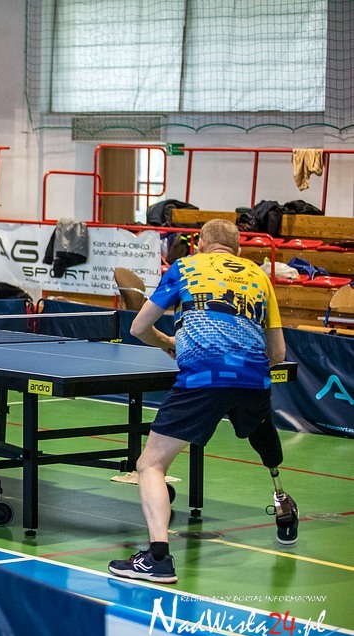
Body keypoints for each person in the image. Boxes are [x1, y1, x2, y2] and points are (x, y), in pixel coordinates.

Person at [108, 218, 298, 585]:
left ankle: (157, 559)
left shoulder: (186, 267)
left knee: (150, 464)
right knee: (263, 437)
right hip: (252, 381)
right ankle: (282, 501)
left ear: (200, 245)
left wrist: (168, 342)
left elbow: (138, 327)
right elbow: (277, 353)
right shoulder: (259, 277)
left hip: (202, 380)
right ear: (238, 250)